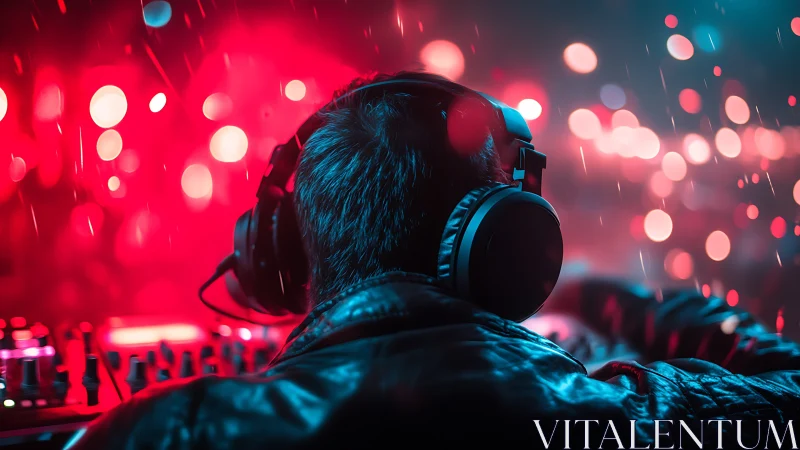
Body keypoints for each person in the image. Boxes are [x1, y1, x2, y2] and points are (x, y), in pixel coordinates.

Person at [70, 72, 800, 449]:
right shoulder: (610, 422)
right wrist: (615, 301)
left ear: (284, 253)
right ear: (508, 241)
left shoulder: (164, 435)